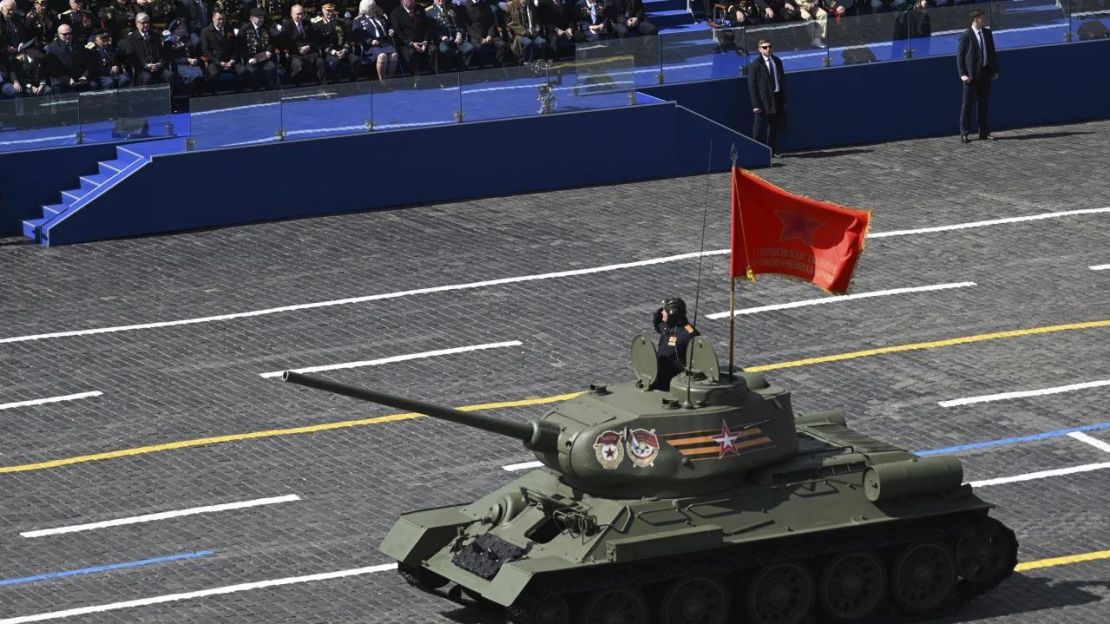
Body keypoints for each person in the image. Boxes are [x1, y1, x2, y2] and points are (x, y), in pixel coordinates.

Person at [956, 8, 997, 143]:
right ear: (976, 19)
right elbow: (960, 56)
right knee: (967, 105)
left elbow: (991, 52)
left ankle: (984, 132)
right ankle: (964, 133)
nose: (984, 20)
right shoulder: (966, 35)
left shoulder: (987, 33)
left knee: (983, 104)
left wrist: (994, 70)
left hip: (985, 74)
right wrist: (963, 74)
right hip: (971, 77)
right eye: (982, 18)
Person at [747, 37, 786, 157]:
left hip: (776, 96)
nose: (768, 49)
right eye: (765, 47)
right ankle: (756, 151)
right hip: (763, 99)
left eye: (769, 47)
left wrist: (783, 100)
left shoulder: (777, 61)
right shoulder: (755, 65)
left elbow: (782, 80)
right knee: (758, 127)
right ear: (759, 49)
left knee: (773, 126)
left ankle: (772, 150)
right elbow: (752, 85)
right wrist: (756, 105)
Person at [653, 297, 699, 390]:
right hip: (660, 375)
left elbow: (696, 360)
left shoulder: (688, 334)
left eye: (664, 311)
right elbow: (658, 325)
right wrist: (659, 312)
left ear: (672, 314)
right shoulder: (668, 327)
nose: (662, 313)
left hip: (675, 382)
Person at [350, 0, 398, 81]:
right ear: (365, 9)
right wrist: (370, 41)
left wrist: (391, 30)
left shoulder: (381, 17)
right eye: (371, 7)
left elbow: (389, 26)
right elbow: (358, 34)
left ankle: (389, 79)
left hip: (384, 43)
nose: (373, 8)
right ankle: (381, 81)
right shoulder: (358, 20)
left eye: (373, 6)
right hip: (370, 46)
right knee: (382, 56)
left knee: (394, 55)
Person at [200, 9, 245, 93]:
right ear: (213, 18)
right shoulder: (206, 32)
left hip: (230, 60)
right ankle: (214, 93)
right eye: (219, 19)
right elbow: (205, 51)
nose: (221, 21)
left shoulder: (229, 29)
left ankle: (238, 92)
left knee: (242, 70)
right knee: (213, 74)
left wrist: (232, 60)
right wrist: (219, 62)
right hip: (215, 61)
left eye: (223, 19)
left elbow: (235, 48)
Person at [282, 4, 325, 85]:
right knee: (297, 63)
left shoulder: (308, 24)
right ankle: (299, 87)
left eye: (302, 13)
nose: (300, 16)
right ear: (292, 14)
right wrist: (299, 49)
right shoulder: (286, 25)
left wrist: (308, 47)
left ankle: (323, 85)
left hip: (309, 51)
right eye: (298, 14)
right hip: (295, 53)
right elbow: (286, 43)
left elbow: (316, 39)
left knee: (320, 61)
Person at [44, 22, 92, 91]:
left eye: (70, 33)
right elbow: (53, 68)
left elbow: (87, 62)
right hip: (61, 79)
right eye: (65, 34)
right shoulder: (52, 47)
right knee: (59, 88)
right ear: (59, 35)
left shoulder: (79, 44)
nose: (68, 36)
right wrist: (67, 79)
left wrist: (84, 76)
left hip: (79, 78)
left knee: (93, 86)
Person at [124, 12, 169, 84]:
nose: (146, 24)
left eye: (147, 22)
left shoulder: (155, 35)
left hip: (157, 67)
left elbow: (162, 53)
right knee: (147, 78)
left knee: (169, 76)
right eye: (143, 22)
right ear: (137, 24)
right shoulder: (131, 38)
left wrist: (160, 63)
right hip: (141, 70)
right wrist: (145, 65)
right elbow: (131, 58)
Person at [426, 0, 471, 71]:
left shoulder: (452, 7)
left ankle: (462, 69)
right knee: (445, 50)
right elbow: (430, 30)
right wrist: (441, 37)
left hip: (455, 37)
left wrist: (459, 33)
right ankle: (448, 71)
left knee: (469, 48)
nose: (441, 0)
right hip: (441, 39)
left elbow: (460, 23)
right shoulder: (428, 11)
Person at [240, 7, 276, 90]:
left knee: (271, 67)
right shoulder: (244, 29)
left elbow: (272, 41)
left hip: (264, 57)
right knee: (253, 71)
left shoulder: (265, 27)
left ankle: (270, 90)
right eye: (259, 17)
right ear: (252, 18)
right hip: (251, 57)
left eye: (262, 17)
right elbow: (240, 46)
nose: (261, 19)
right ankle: (256, 92)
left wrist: (269, 51)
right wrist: (248, 58)